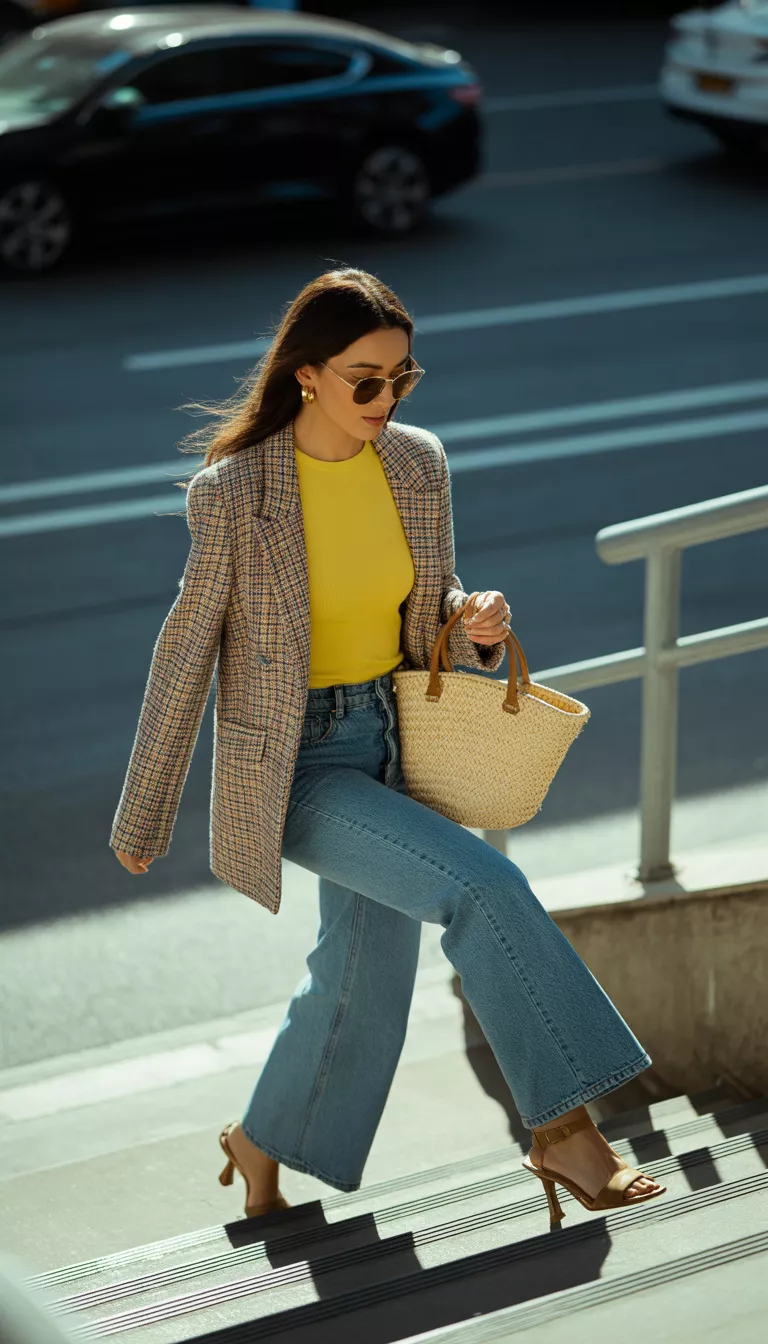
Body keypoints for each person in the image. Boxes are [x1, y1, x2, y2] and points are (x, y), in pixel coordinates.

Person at [110, 267, 665, 1230]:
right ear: (308, 377)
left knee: (361, 977)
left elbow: (427, 599)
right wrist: (145, 809)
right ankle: (565, 1130)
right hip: (301, 766)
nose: (385, 398)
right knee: (483, 889)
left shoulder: (416, 463)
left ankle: (258, 1141)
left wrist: (471, 615)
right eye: (365, 379)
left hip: (394, 742)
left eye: (401, 379)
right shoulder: (237, 493)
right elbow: (186, 644)